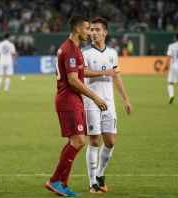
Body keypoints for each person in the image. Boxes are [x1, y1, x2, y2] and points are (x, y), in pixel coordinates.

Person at [45, 14, 108, 197]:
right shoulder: (71, 50)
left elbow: (78, 75)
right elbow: (73, 80)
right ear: (78, 29)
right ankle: (55, 180)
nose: (90, 32)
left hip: (72, 99)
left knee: (74, 142)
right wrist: (96, 98)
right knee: (79, 141)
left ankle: (62, 185)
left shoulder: (72, 48)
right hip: (68, 99)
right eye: (88, 29)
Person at [81, 18, 132, 194]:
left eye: (96, 30)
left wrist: (125, 99)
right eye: (91, 30)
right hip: (91, 101)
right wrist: (104, 72)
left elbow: (116, 76)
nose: (93, 33)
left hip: (109, 103)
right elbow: (82, 72)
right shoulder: (85, 52)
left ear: (105, 32)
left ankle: (100, 175)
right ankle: (92, 182)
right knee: (94, 140)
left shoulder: (112, 53)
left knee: (110, 141)